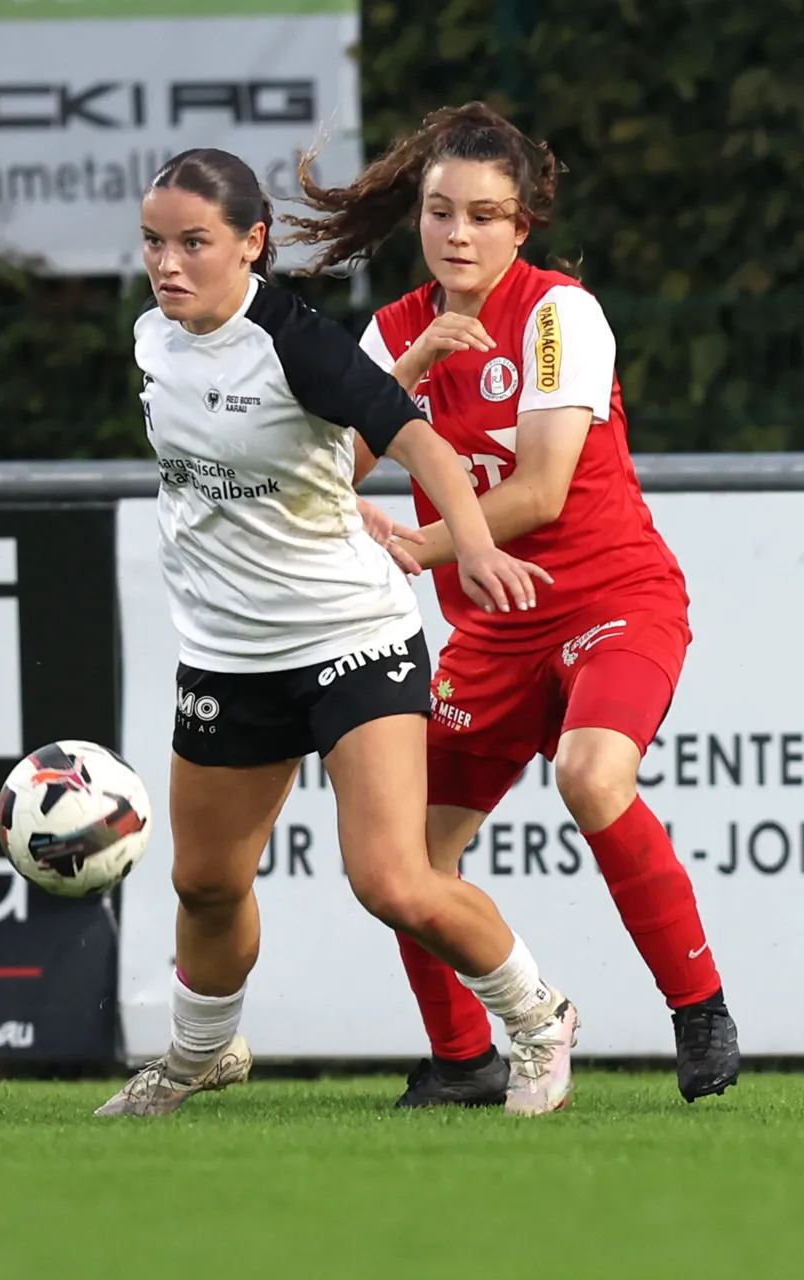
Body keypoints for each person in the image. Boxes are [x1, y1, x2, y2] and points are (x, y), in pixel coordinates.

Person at [95, 149, 579, 1120]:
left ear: (252, 244)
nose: (169, 263)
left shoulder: (297, 341)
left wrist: (472, 545)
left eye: (195, 242)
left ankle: (537, 1019)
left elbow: (418, 440)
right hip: (229, 653)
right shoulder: (155, 338)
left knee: (393, 878)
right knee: (206, 881)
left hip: (350, 637)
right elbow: (320, 448)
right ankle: (200, 1053)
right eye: (155, 242)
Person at [287, 102, 739, 1106]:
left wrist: (415, 541)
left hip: (610, 597)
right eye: (441, 211)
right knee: (402, 861)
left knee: (590, 774)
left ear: (521, 226)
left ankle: (698, 1006)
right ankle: (462, 1061)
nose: (458, 233)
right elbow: (329, 466)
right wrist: (403, 375)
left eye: (485, 216)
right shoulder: (397, 325)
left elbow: (538, 491)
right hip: (490, 629)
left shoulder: (556, 314)